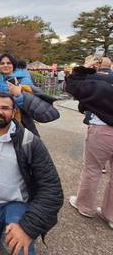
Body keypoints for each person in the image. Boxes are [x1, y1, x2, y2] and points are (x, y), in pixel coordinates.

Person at [0, 93, 63, 255]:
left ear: (13, 112)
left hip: (18, 202)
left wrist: (27, 228)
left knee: (19, 248)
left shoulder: (29, 141)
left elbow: (52, 189)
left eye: (5, 108)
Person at [65, 60, 113, 229]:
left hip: (103, 129)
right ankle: (111, 214)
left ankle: (85, 206)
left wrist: (83, 68)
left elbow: (70, 85)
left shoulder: (99, 82)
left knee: (93, 169)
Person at [0, 53, 60, 136]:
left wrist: (18, 95)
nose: (5, 65)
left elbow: (30, 103)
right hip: (0, 119)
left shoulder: (23, 80)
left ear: (13, 65)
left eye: (9, 63)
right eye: (2, 63)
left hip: (20, 121)